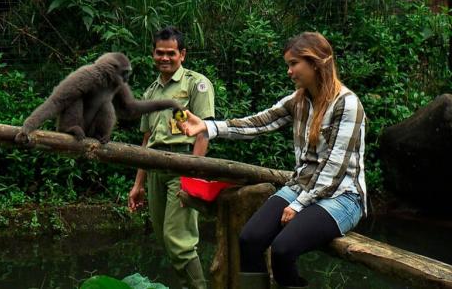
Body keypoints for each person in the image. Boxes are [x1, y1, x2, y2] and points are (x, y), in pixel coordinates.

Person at [178, 32, 366, 289]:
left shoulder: (347, 104)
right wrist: (208, 127)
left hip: (341, 196)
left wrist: (299, 205)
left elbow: (334, 168)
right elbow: (259, 123)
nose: (289, 71)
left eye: (293, 64)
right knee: (249, 239)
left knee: (283, 249)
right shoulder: (298, 100)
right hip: (301, 186)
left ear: (314, 62)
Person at [128, 26, 215, 289]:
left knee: (179, 241)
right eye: (159, 53)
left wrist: (192, 174)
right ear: (153, 54)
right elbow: (147, 139)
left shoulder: (195, 84)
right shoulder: (151, 92)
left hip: (182, 166)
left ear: (182, 54)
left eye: (171, 53)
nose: (164, 58)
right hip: (155, 168)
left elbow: (205, 132)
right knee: (165, 239)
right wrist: (138, 184)